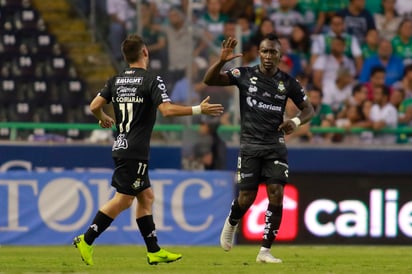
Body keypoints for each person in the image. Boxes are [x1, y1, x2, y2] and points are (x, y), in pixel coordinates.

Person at [73, 34, 224, 266]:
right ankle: (87, 239)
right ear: (145, 52)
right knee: (123, 200)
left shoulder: (116, 80)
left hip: (122, 145)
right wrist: (198, 109)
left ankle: (153, 250)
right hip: (135, 150)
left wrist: (102, 117)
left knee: (146, 196)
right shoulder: (151, 80)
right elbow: (167, 110)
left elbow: (94, 106)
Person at [203, 34, 314, 263]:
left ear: (280, 56)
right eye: (265, 51)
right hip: (250, 146)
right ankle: (232, 222)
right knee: (246, 198)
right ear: (259, 53)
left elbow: (309, 110)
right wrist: (222, 61)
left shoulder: (288, 82)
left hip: (275, 146)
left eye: (273, 52)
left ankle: (265, 251)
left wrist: (294, 122)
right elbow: (209, 80)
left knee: (277, 194)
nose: (268, 56)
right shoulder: (244, 75)